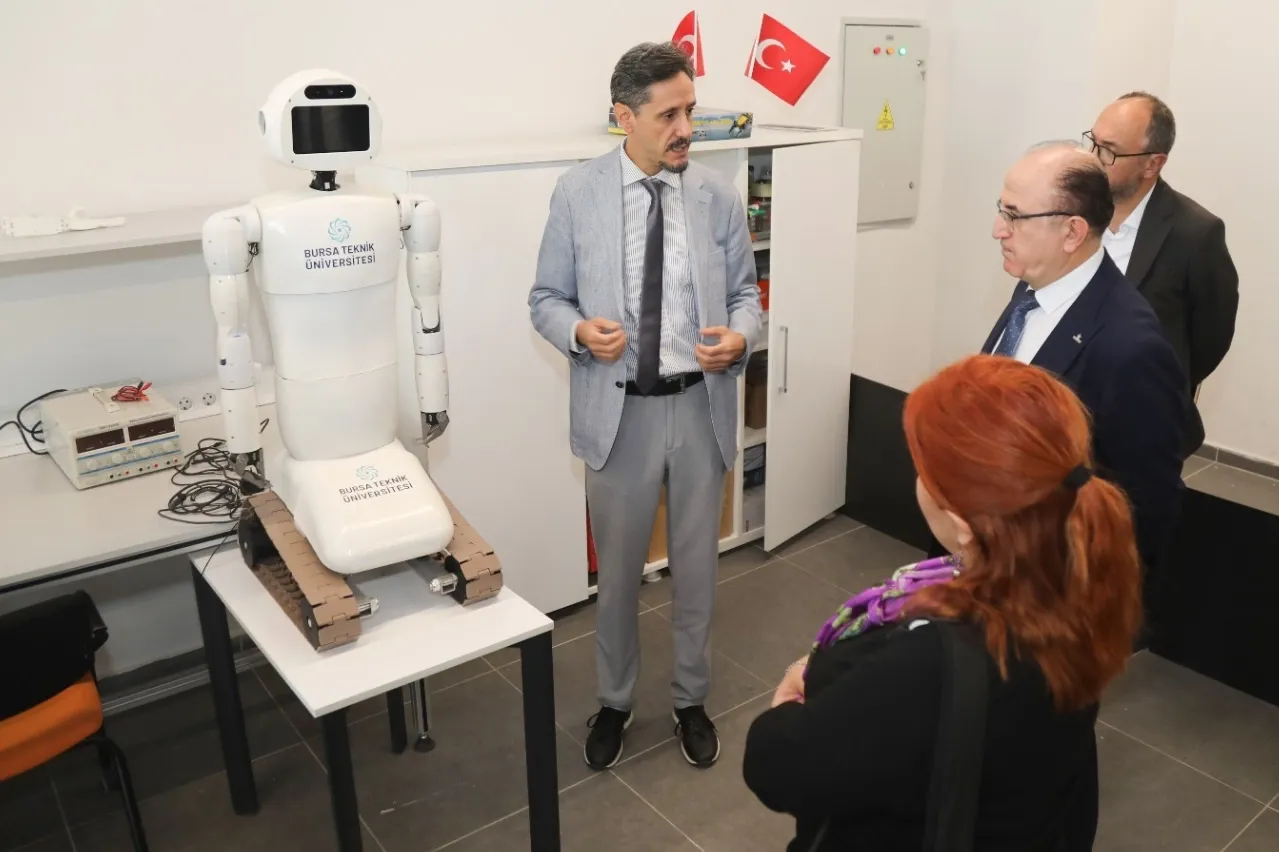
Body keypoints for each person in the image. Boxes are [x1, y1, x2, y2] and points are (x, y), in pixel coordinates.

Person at [743, 353, 1144, 852]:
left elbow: (778, 767)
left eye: (924, 470)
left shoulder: (935, 662)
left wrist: (790, 700)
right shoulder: (1078, 585)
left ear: (960, 525)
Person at [528, 42, 762, 770]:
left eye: (690, 110)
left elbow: (746, 297)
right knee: (619, 577)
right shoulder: (579, 193)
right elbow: (545, 298)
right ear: (624, 117)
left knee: (697, 573)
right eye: (668, 115)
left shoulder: (717, 195)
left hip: (699, 408)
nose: (685, 128)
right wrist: (577, 331)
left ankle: (690, 700)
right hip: (619, 414)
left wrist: (741, 337)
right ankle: (615, 701)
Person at [978, 141, 1186, 629]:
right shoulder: (1036, 286)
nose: (997, 230)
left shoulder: (1131, 347)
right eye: (1001, 210)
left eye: (1014, 216)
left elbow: (1142, 506)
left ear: (1072, 231)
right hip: (988, 569)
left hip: (1046, 600)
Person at [1087, 91, 1240, 456]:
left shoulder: (1195, 233)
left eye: (1108, 151)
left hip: (1143, 424)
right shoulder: (1075, 213)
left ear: (1152, 164)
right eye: (1092, 142)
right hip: (1068, 415)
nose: (1093, 159)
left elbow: (1210, 337)